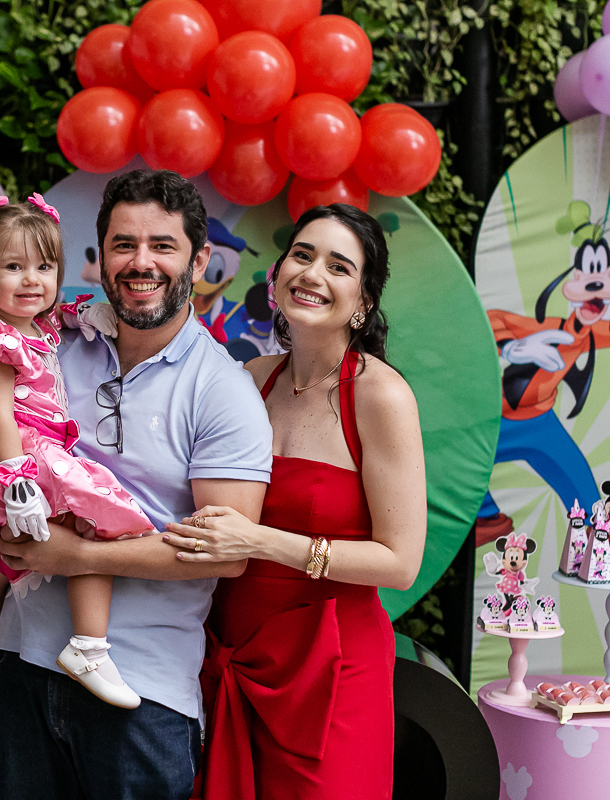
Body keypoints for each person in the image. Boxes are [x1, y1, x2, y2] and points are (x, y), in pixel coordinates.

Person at [0, 169, 273, 800]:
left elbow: (226, 554)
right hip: (24, 663)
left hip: (142, 694)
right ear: (101, 253)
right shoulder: (51, 341)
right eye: (123, 244)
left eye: (162, 246)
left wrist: (80, 557)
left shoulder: (224, 393)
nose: (140, 263)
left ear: (198, 259)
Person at [165, 204, 427, 800]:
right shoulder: (249, 380)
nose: (312, 274)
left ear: (362, 301)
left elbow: (400, 561)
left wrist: (260, 542)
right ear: (276, 273)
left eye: (339, 266)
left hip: (329, 673)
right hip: (231, 655)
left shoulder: (381, 397)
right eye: (303, 255)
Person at [0, 194, 159, 709]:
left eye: (44, 266)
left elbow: (61, 321)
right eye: (14, 266)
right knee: (102, 523)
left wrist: (87, 314)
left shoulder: (37, 327)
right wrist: (17, 481)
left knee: (18, 542)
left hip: (38, 447)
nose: (32, 279)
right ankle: (89, 647)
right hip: (21, 452)